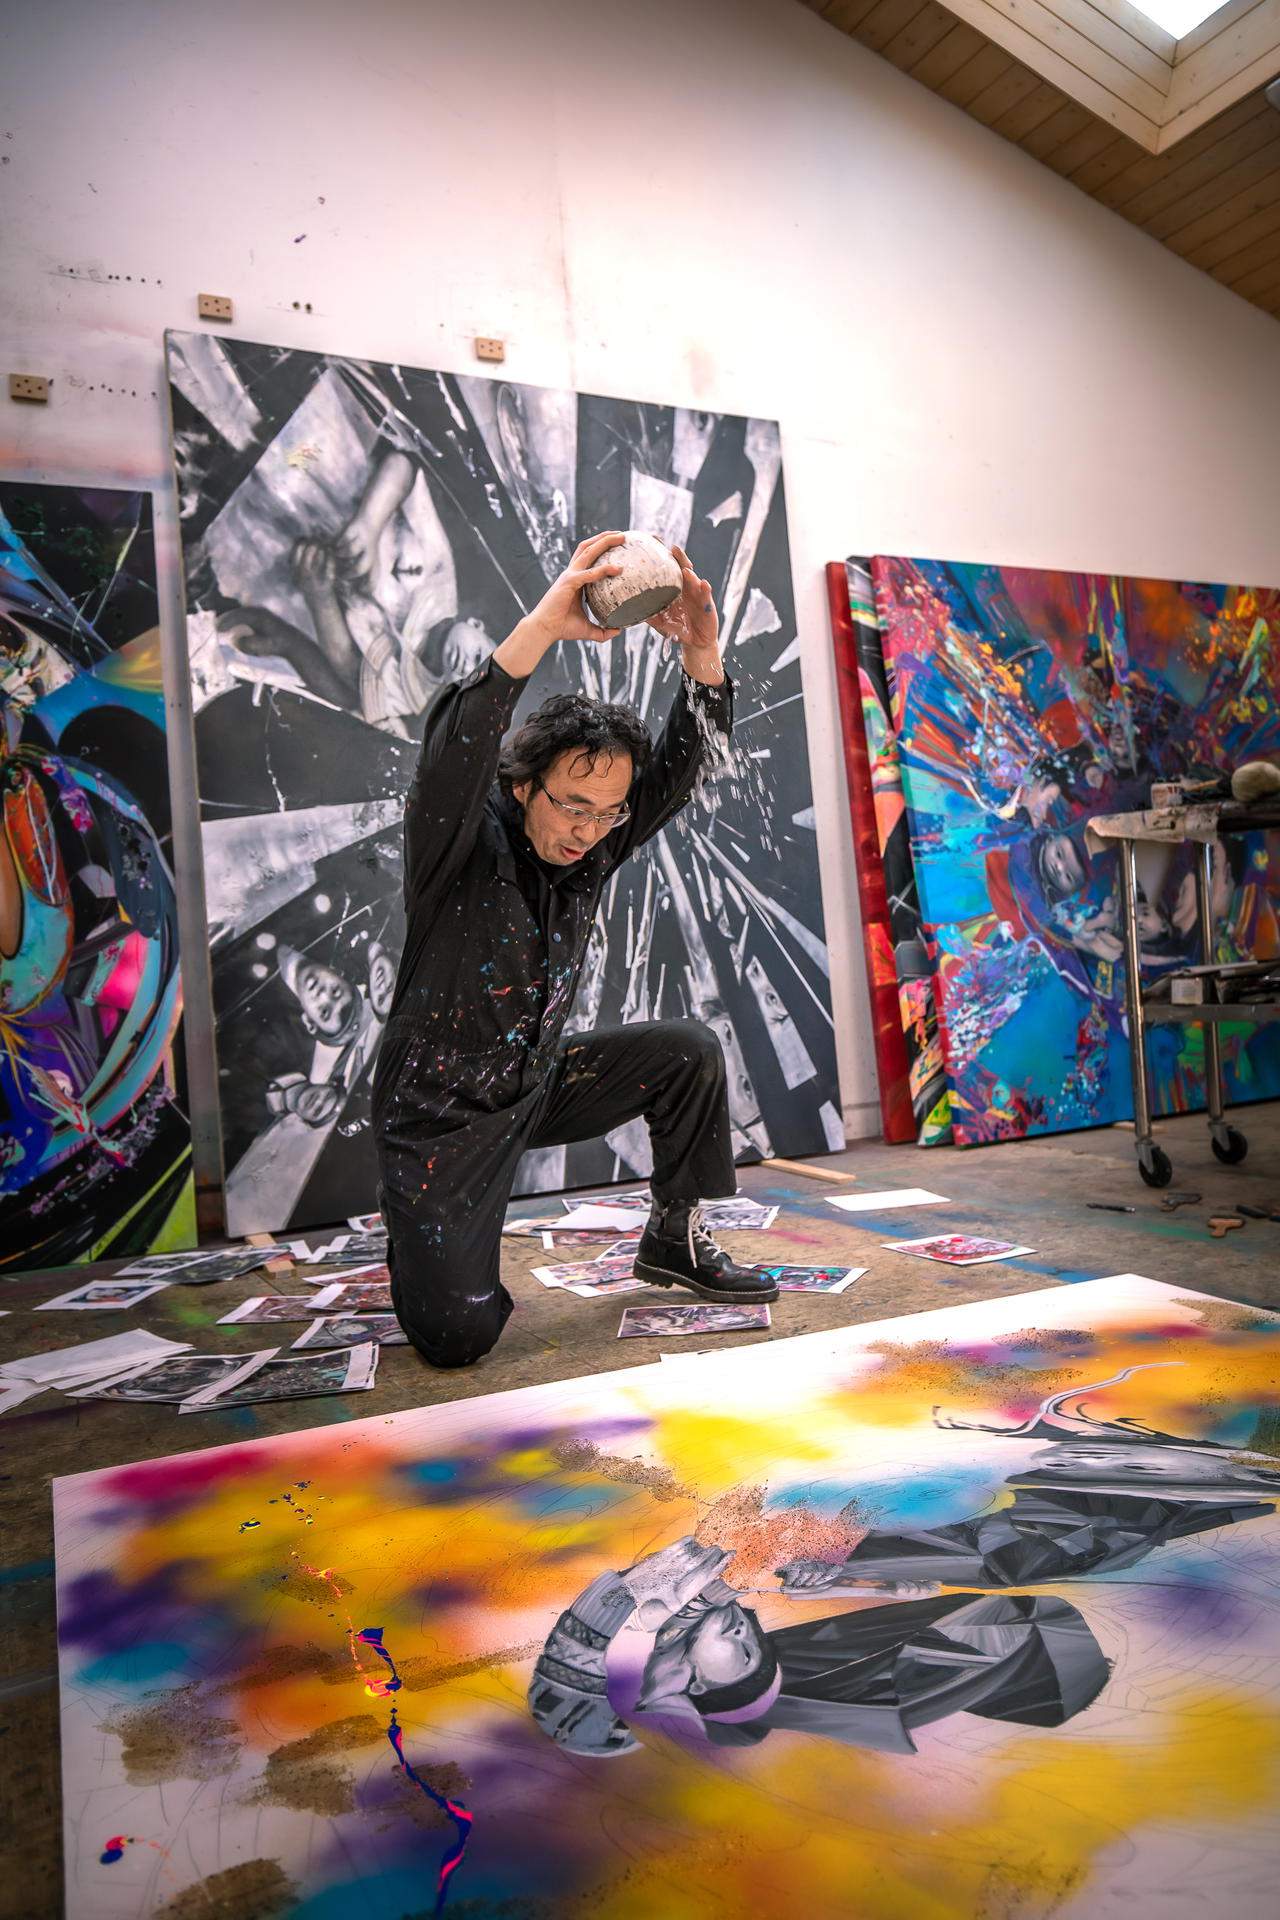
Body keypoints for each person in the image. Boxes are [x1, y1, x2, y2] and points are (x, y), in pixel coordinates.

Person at [372, 530, 778, 1369]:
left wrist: (702, 646)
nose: (588, 830)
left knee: (687, 1052)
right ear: (523, 786)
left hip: (536, 1082)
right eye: (571, 806)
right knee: (456, 1338)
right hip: (440, 1115)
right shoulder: (459, 839)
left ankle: (674, 1236)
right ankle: (424, 1250)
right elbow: (457, 742)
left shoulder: (594, 845)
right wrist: (546, 625)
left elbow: (686, 762)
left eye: (608, 813)